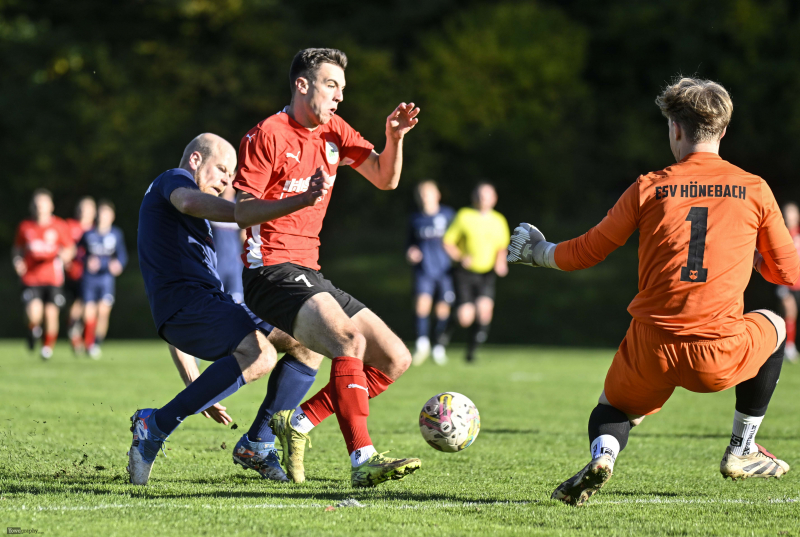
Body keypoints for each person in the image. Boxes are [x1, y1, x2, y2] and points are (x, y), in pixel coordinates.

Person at [507, 77, 798, 506]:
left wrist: (539, 252)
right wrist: (756, 262)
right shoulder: (754, 188)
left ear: (676, 130)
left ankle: (604, 455)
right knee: (773, 324)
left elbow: (588, 250)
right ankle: (742, 449)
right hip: (717, 352)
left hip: (652, 346)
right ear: (722, 131)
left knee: (613, 407)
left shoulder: (650, 185)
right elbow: (788, 272)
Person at [233, 47, 422, 487]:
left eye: (342, 88)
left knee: (396, 358)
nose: (339, 96)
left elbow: (384, 177)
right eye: (330, 85)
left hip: (309, 272)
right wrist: (299, 198)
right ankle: (363, 459)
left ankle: (297, 421)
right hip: (270, 270)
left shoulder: (333, 129)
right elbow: (241, 211)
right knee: (348, 340)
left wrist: (394, 138)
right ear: (303, 85)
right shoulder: (267, 134)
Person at [128, 133, 315, 485]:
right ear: (196, 160)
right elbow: (186, 201)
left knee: (305, 340)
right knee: (260, 356)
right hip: (188, 307)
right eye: (222, 171)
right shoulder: (174, 179)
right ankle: (154, 426)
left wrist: (197, 384)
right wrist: (244, 212)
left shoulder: (189, 226)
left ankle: (258, 443)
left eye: (231, 178)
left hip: (207, 304)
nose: (227, 182)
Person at [442, 182, 509, 362]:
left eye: (487, 195)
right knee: (465, 317)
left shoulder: (499, 220)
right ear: (474, 197)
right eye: (480, 195)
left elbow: (502, 246)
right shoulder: (464, 215)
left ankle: (471, 353)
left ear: (494, 199)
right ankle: (446, 329)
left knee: (485, 311)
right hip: (465, 273)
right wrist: (460, 257)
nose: (483, 199)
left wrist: (501, 262)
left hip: (486, 273)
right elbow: (448, 242)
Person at [12, 189, 75, 360]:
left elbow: (70, 248)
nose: (39, 207)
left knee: (51, 314)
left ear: (51, 206)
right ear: (32, 206)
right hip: (31, 278)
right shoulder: (25, 226)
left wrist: (66, 255)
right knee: (34, 312)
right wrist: (17, 261)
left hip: (53, 279)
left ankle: (47, 348)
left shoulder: (59, 226)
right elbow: (17, 249)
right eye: (37, 204)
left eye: (43, 204)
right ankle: (33, 329)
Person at [406, 180, 455, 365]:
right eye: (421, 193)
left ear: (437, 195)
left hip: (446, 270)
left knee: (443, 308)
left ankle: (439, 346)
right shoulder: (415, 219)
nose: (424, 197)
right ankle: (422, 343)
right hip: (424, 270)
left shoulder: (449, 215)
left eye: (428, 193)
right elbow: (409, 244)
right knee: (421, 305)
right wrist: (411, 252)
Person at [79, 199, 127, 358]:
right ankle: (88, 342)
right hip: (90, 279)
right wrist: (86, 261)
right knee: (88, 313)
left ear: (112, 216)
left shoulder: (116, 234)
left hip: (106, 279)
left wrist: (118, 264)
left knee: (103, 312)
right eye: (101, 214)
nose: (103, 217)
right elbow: (78, 253)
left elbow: (122, 255)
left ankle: (96, 343)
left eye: (107, 214)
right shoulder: (88, 234)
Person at [64, 196, 96, 354]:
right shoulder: (70, 225)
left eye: (89, 208)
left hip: (92, 275)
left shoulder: (96, 229)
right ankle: (74, 330)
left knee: (87, 305)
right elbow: (65, 245)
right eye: (82, 208)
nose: (85, 212)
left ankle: (82, 337)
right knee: (79, 303)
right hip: (74, 272)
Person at [211, 186, 247, 303]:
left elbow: (245, 236)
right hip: (215, 265)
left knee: (236, 302)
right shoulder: (211, 206)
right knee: (214, 301)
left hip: (234, 265)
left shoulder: (240, 209)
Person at [775, 202, 800, 363]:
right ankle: (788, 347)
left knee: (793, 314)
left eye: (792, 214)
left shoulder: (797, 235)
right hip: (784, 282)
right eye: (787, 214)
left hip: (798, 283)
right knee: (789, 310)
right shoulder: (780, 235)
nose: (789, 217)